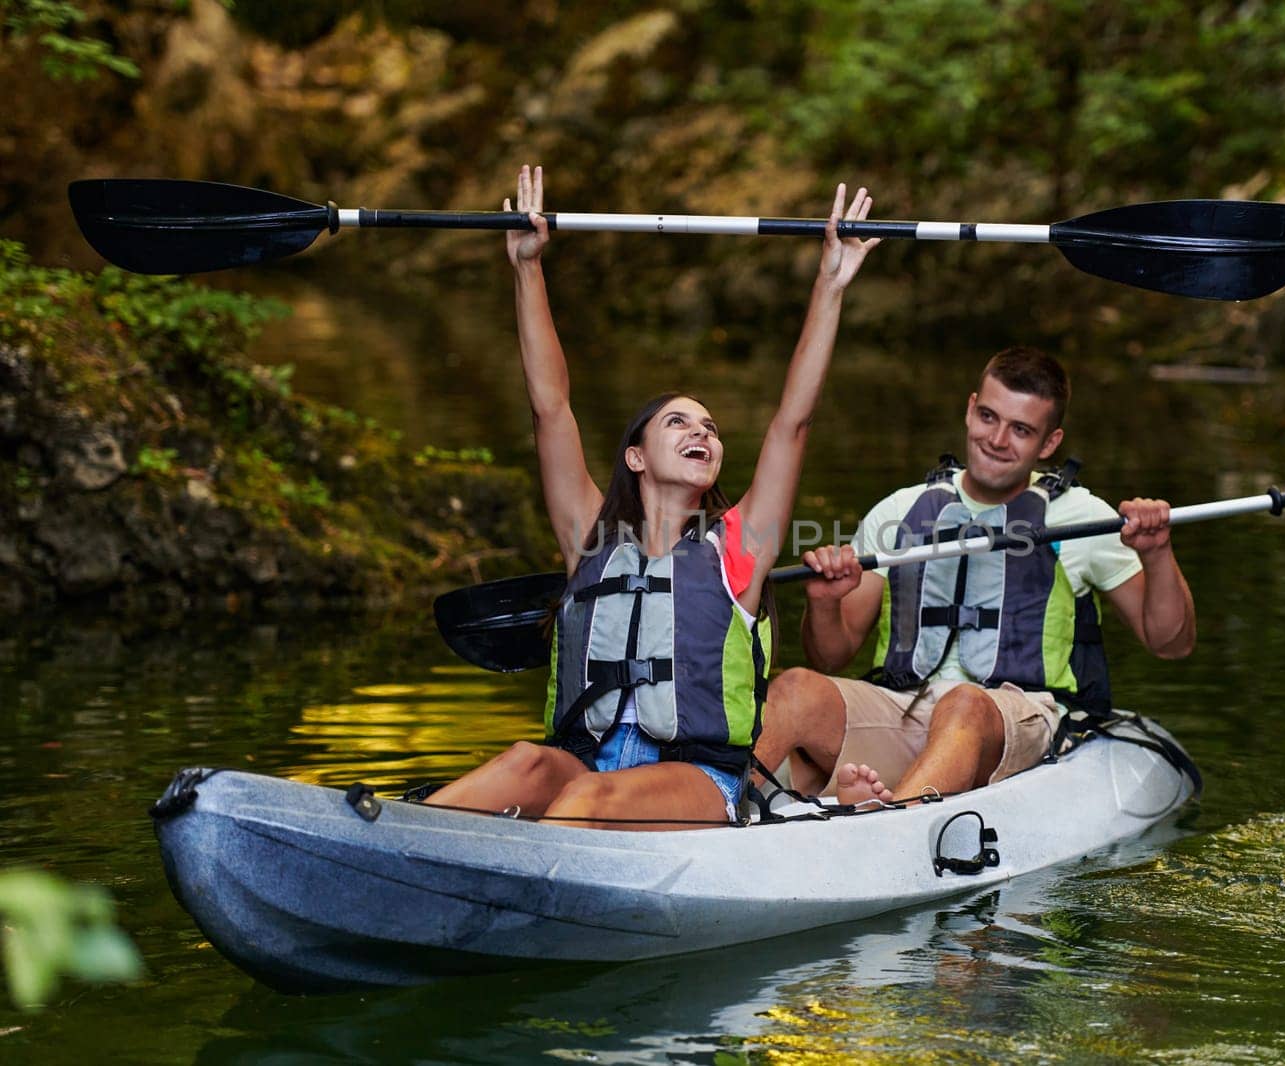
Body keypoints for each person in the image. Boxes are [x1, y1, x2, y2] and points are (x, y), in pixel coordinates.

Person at [426, 165, 879, 829]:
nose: (701, 431)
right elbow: (550, 407)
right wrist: (527, 269)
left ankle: (522, 891)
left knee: (583, 802)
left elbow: (791, 422)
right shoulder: (590, 537)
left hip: (696, 780)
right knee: (526, 762)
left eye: (710, 428)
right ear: (635, 457)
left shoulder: (740, 549)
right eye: (678, 422)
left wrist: (830, 283)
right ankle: (385, 848)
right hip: (586, 760)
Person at [752, 346, 1196, 805]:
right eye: (988, 417)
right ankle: (714, 811)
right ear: (970, 410)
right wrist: (823, 602)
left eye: (1021, 430)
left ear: (1048, 443)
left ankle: (891, 828)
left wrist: (1158, 552)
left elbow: (1171, 643)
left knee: (963, 703)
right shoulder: (900, 511)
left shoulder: (1083, 518)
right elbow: (830, 657)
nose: (998, 439)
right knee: (795, 688)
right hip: (902, 707)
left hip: (1013, 712)